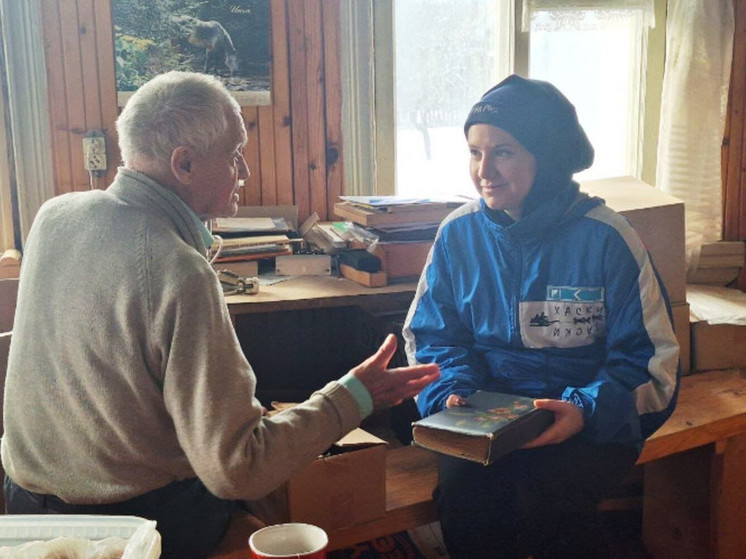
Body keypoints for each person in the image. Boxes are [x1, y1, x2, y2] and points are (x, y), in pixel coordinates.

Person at [1, 71, 439, 558]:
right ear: (184, 164)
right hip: (132, 530)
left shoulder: (54, 215)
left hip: (24, 509)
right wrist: (355, 396)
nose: (245, 172)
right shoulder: (178, 270)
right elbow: (237, 468)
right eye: (234, 156)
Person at [403, 74, 680, 559]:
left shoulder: (608, 237)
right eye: (474, 151)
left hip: (590, 420)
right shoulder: (457, 234)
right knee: (466, 507)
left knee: (544, 508)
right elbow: (433, 337)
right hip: (482, 416)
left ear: (546, 157)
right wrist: (452, 393)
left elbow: (650, 362)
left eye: (503, 151)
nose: (484, 169)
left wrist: (584, 410)